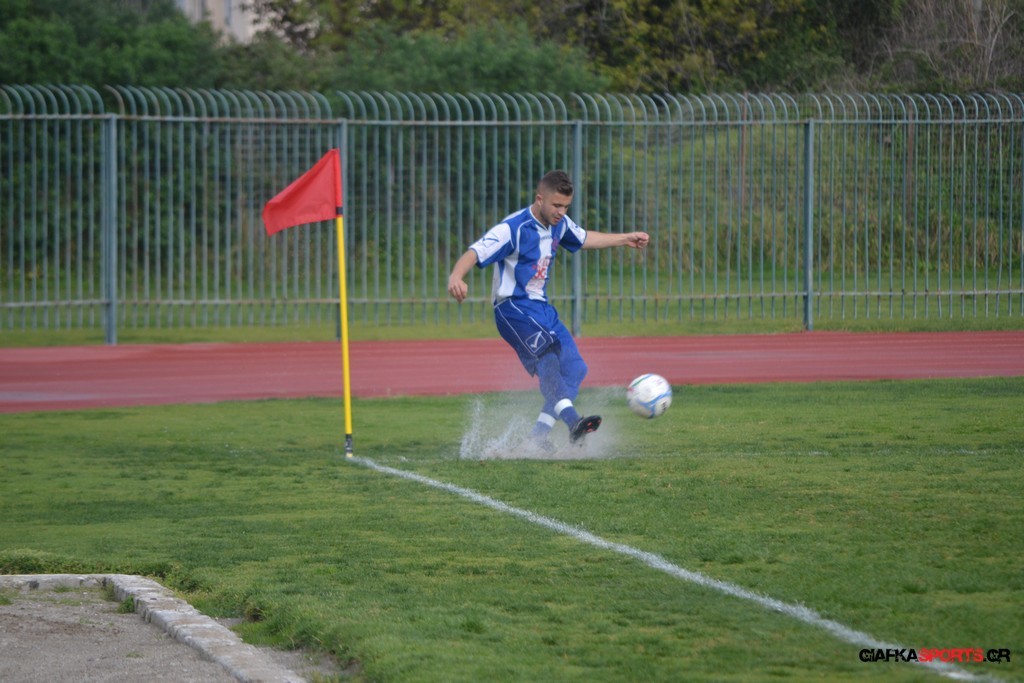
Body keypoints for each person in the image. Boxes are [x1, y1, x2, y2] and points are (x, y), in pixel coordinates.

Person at [447, 170, 650, 451]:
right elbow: (475, 251)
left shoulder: (560, 224)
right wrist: (456, 276)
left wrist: (625, 238)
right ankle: (573, 422)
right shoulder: (513, 228)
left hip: (541, 308)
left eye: (566, 206)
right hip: (513, 308)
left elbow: (584, 238)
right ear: (539, 199)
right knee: (548, 357)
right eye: (556, 205)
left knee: (576, 369)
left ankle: (537, 437)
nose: (561, 212)